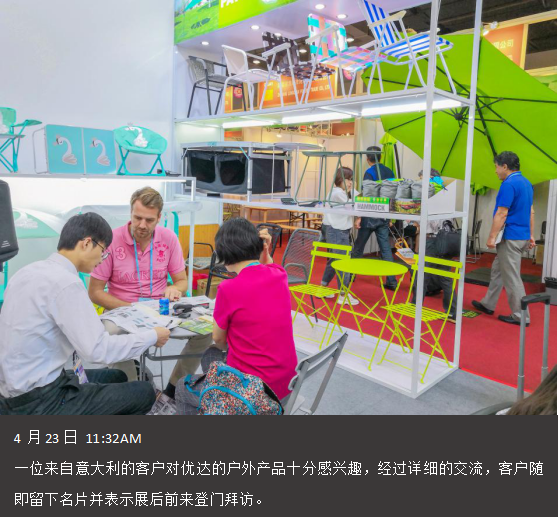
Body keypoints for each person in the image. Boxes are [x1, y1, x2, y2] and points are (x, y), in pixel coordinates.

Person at [0, 213, 171, 415]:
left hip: (11, 393)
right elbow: (97, 351)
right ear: (87, 243)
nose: (101, 260)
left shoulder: (26, 272)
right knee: (144, 392)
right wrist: (152, 336)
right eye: (103, 251)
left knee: (117, 376)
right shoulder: (66, 283)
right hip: (39, 401)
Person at [89, 187, 211, 399]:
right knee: (108, 334)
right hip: (123, 310)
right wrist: (131, 309)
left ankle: (173, 389)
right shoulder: (112, 240)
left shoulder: (168, 238)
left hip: (160, 310)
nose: (142, 225)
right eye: (137, 218)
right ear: (130, 213)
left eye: (149, 220)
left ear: (159, 218)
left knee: (207, 331)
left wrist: (175, 288)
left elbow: (182, 281)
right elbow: (95, 292)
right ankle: (135, 393)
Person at [176, 218, 298, 414]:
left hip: (254, 393)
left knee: (183, 386)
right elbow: (268, 266)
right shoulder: (279, 274)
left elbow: (219, 339)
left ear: (224, 253)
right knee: (211, 356)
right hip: (286, 385)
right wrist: (264, 252)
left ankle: (221, 406)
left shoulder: (228, 288)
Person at [472, 152, 535, 326]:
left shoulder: (508, 184)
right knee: (497, 270)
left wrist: (491, 237)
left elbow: (501, 213)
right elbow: (530, 212)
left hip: (511, 238)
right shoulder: (527, 183)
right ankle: (488, 303)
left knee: (512, 278)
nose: (495, 171)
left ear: (505, 166)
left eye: (496, 167)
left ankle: (521, 316)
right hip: (521, 236)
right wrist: (531, 235)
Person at [352, 146, 397, 290]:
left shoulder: (369, 173)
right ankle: (391, 281)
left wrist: (359, 216)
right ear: (380, 157)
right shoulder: (389, 171)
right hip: (384, 215)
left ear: (367, 158)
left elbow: (366, 196)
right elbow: (392, 194)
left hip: (369, 215)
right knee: (385, 249)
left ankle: (350, 275)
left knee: (359, 247)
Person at [321, 167, 360, 306]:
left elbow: (356, 198)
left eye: (351, 179)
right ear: (340, 179)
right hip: (337, 230)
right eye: (348, 179)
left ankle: (323, 288)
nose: (350, 182)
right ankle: (343, 294)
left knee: (334, 260)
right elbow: (353, 205)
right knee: (343, 262)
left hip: (336, 229)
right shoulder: (337, 193)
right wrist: (353, 190)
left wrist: (352, 189)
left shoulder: (340, 192)